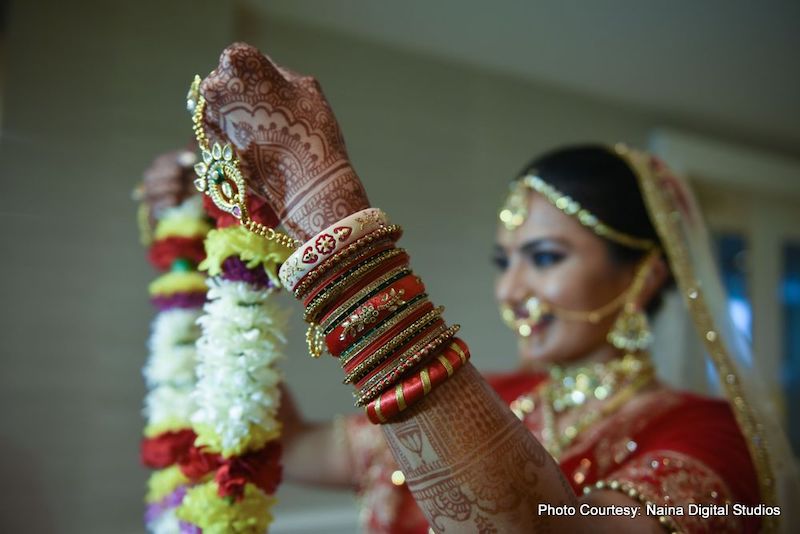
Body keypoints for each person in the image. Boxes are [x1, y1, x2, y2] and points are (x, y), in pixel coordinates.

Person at [189, 43, 798, 533]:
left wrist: (333, 223)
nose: (510, 291)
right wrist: (210, 267)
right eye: (502, 262)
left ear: (643, 277)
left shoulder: (711, 435)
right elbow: (289, 446)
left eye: (545, 256)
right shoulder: (496, 394)